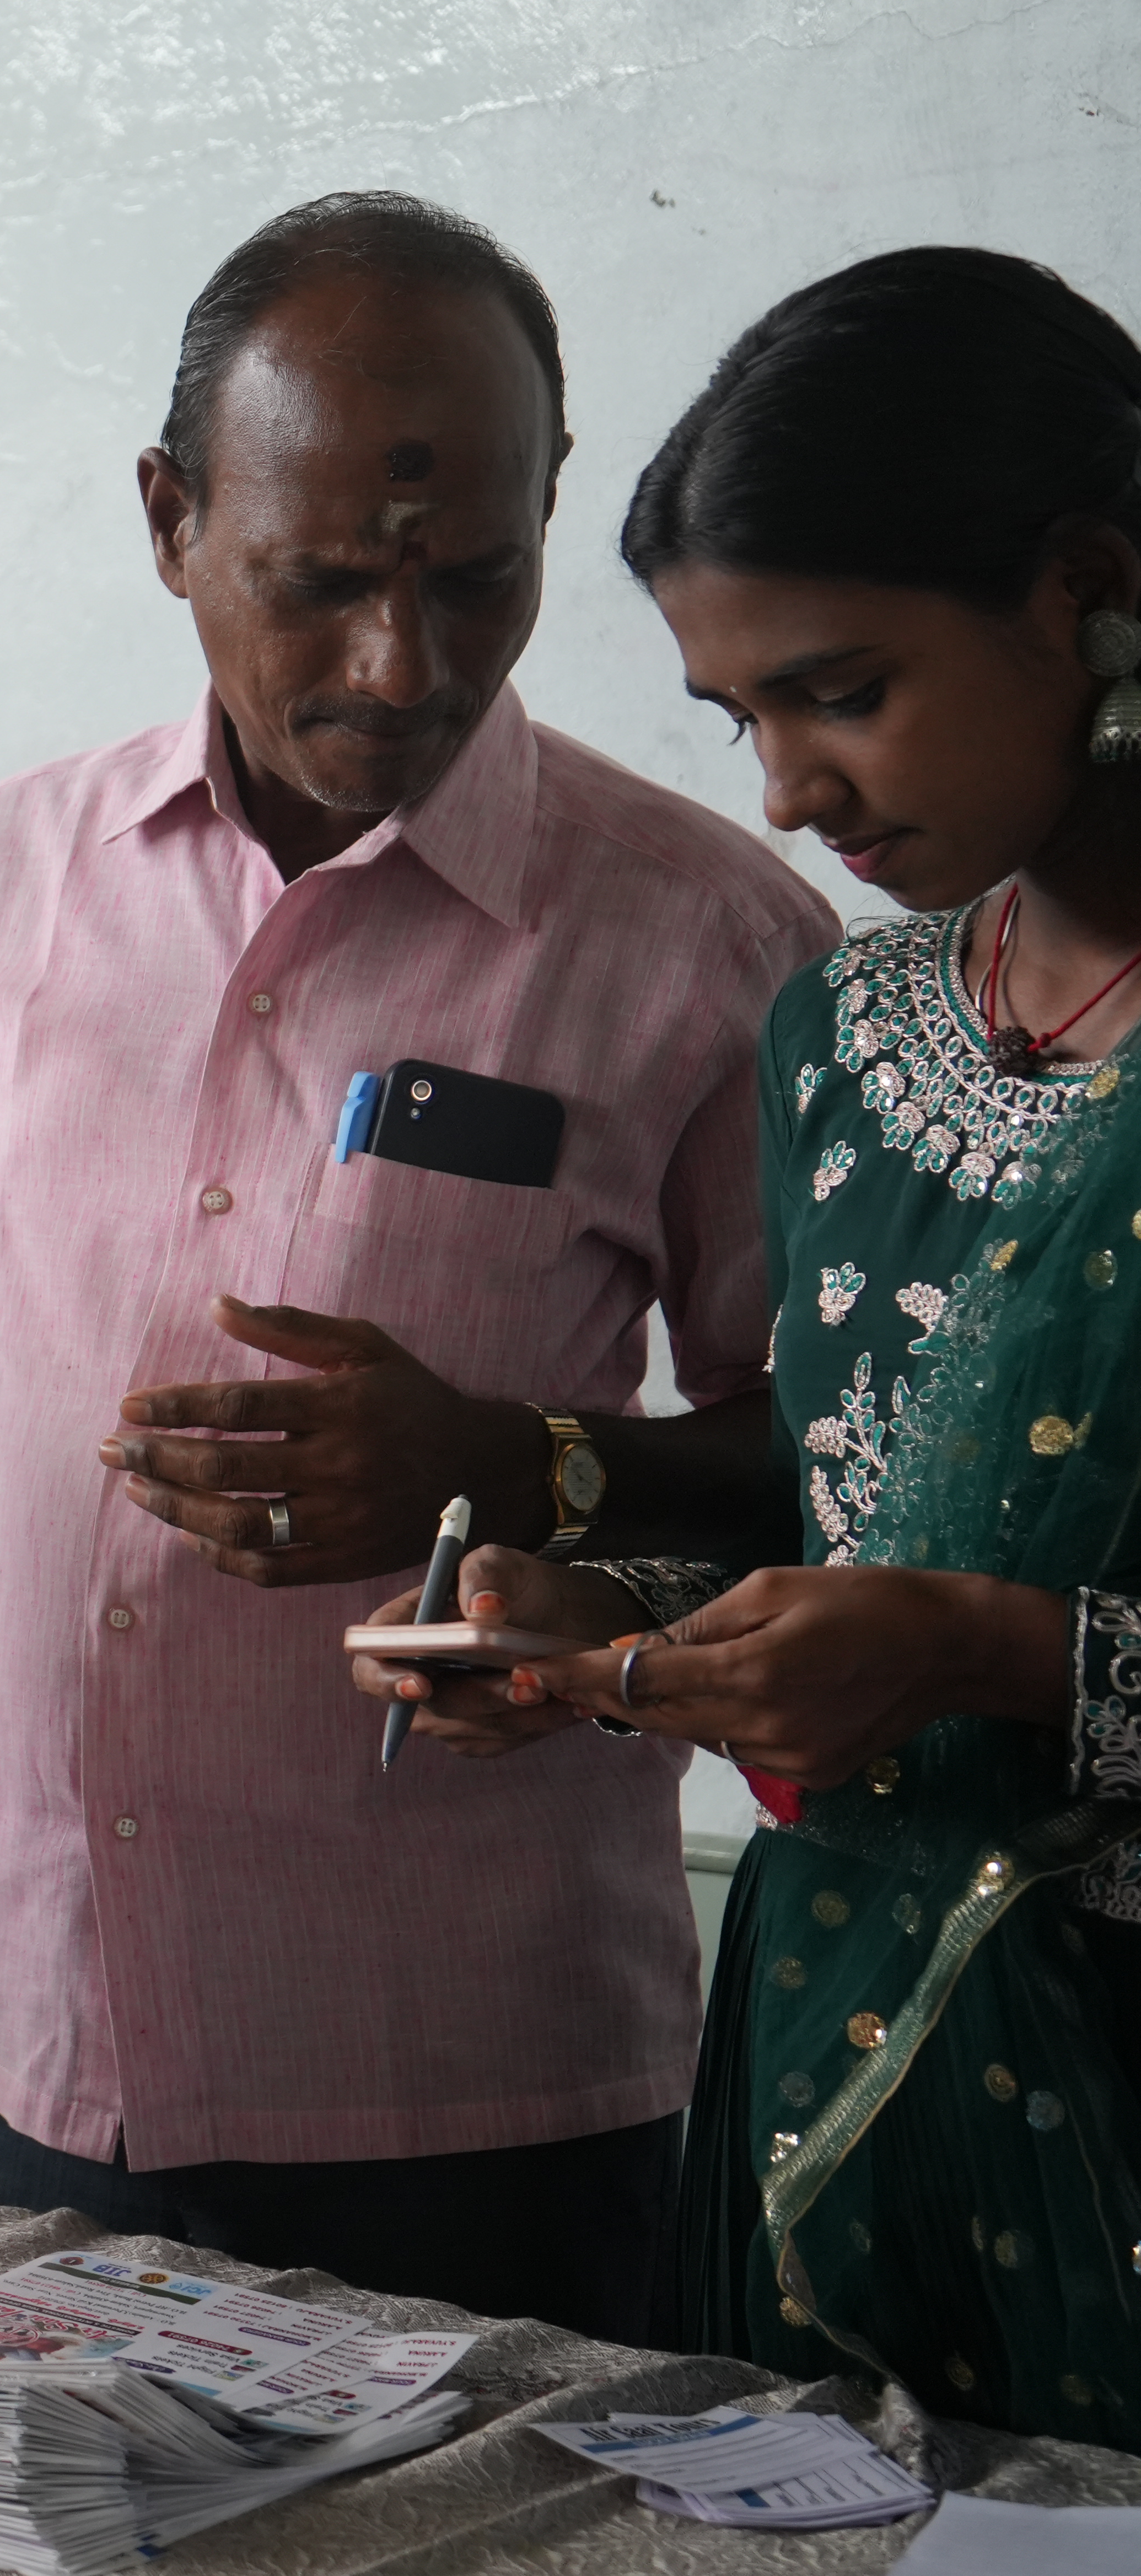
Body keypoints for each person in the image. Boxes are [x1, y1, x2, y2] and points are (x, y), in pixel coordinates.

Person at [0, 192, 835, 2345]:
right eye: (323, 582)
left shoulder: (710, 944)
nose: (400, 664)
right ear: (171, 521)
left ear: (553, 504)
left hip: (481, 2085)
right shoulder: (6, 882)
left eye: (476, 578)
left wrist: (519, 1468)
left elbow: (832, 1468)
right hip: (49, 2034)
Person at [365, 246, 1141, 2440]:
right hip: (849, 2068)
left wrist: (987, 1651)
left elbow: (952, 1604)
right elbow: (856, 1514)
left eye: (844, 691)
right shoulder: (845, 1034)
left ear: (1091, 590)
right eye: (743, 721)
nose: (791, 790)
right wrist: (611, 1620)